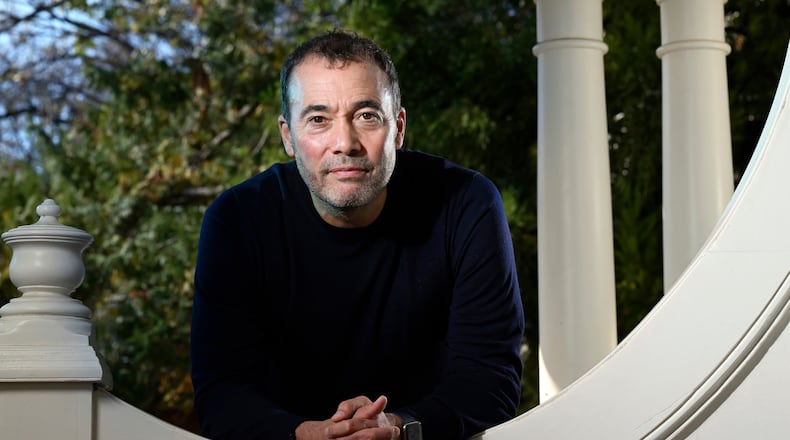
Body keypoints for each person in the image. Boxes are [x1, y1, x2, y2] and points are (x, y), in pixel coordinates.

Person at [190, 29, 525, 439]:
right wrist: (310, 435)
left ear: (398, 128)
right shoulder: (236, 220)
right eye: (318, 119)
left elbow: (490, 380)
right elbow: (221, 393)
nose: (344, 143)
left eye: (367, 115)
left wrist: (398, 429)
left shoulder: (467, 204)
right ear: (287, 137)